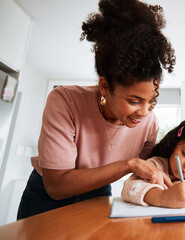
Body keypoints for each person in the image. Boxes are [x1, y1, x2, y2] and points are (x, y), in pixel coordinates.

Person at [17, 0, 176, 219]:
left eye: (152, 101)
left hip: (99, 193)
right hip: (46, 198)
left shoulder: (149, 124)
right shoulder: (64, 101)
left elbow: (149, 170)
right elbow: (56, 186)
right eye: (134, 100)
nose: (144, 111)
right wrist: (128, 164)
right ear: (104, 87)